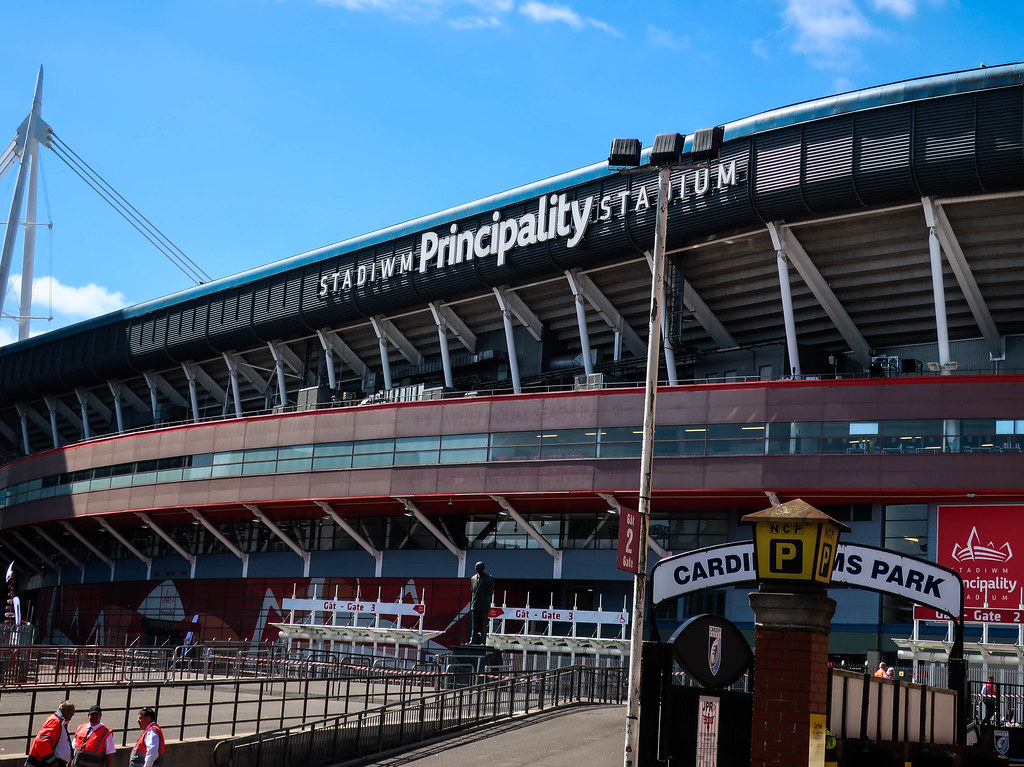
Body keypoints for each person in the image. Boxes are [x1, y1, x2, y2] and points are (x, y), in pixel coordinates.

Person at [27, 701, 75, 767]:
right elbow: (41, 742)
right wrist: (52, 761)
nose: (72, 714)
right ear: (62, 709)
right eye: (70, 712)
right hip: (47, 763)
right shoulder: (55, 721)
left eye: (73, 712)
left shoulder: (61, 722)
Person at [469, 561, 494, 645]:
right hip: (475, 604)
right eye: (476, 568)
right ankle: (473, 640)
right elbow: (472, 591)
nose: (477, 569)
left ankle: (483, 641)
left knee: (484, 625)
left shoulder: (488, 578)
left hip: (484, 604)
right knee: (474, 625)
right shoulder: (473, 578)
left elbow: (491, 591)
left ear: (482, 568)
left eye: (479, 568)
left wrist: (487, 601)